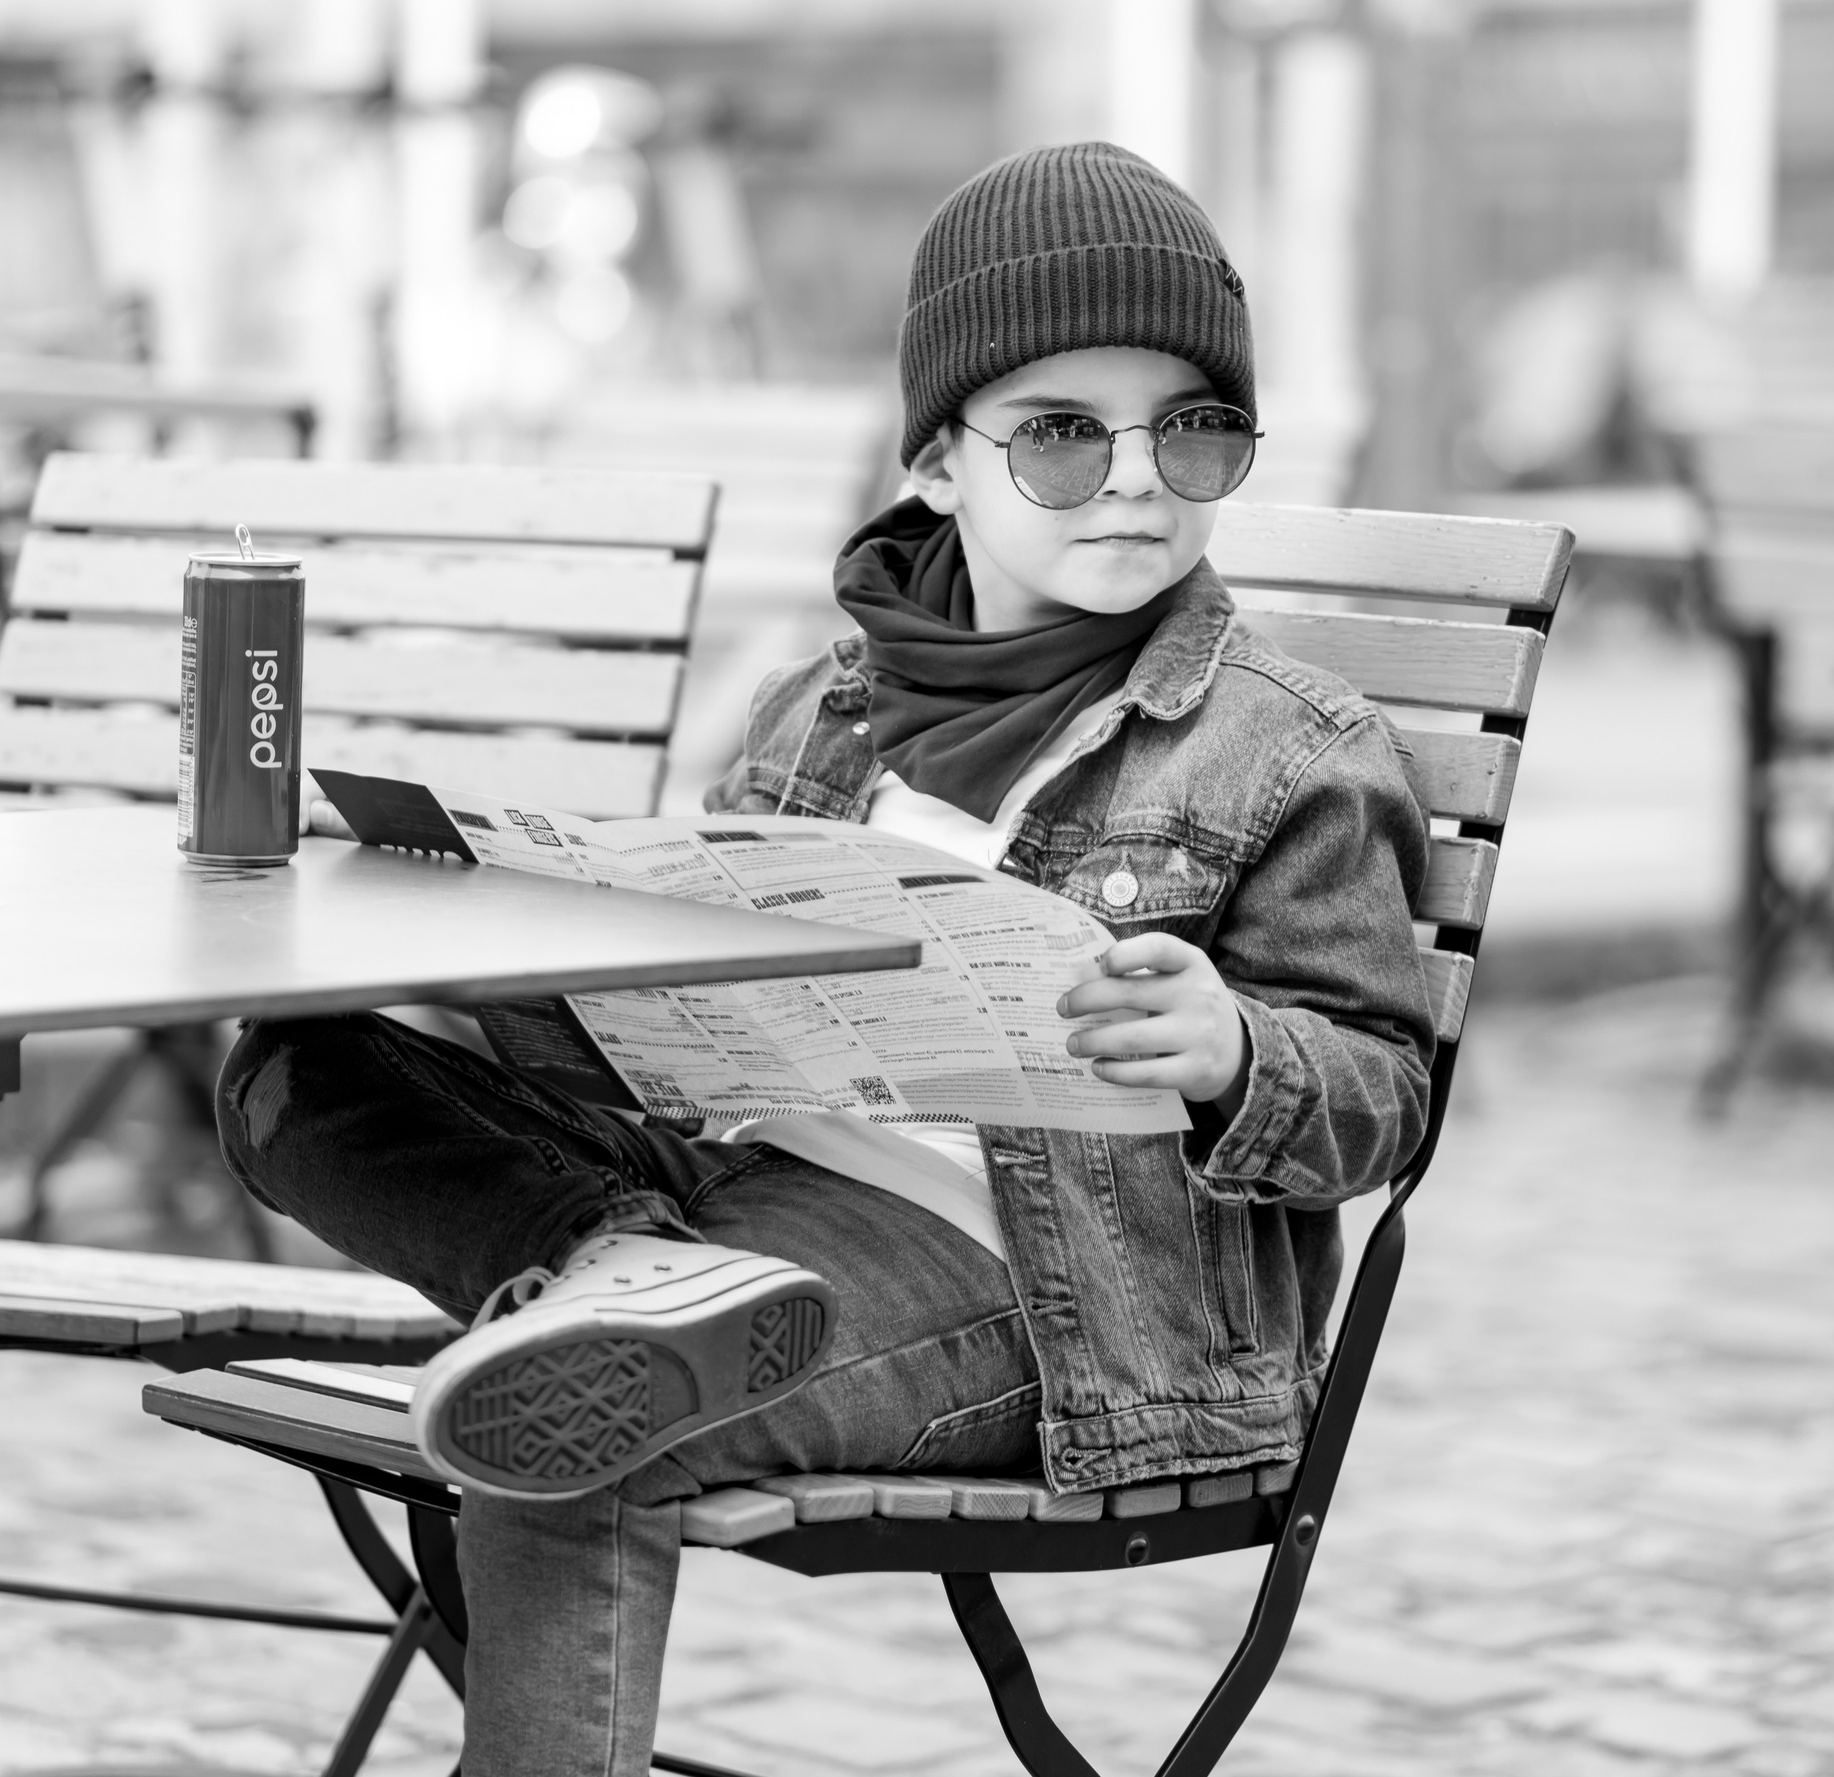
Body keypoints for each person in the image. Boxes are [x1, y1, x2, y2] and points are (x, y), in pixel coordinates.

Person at [213, 140, 1436, 1775]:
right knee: (294, 1063)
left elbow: (1386, 1095)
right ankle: (621, 1268)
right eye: (1063, 434)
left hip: (1026, 1284)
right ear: (937, 463)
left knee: (587, 1429)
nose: (1136, 477)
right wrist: (537, 937)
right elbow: (710, 1023)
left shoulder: (1286, 749)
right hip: (740, 1190)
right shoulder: (826, 707)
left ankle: (626, 1325)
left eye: (1191, 429)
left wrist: (1235, 1055)